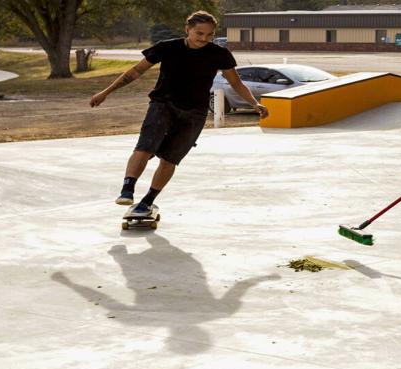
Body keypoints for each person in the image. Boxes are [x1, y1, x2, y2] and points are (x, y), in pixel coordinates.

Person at [89, 10, 269, 221]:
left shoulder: (219, 54)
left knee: (170, 159)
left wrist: (255, 103)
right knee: (145, 147)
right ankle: (127, 189)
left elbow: (236, 83)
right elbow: (135, 71)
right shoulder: (167, 47)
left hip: (195, 113)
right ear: (187, 29)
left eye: (209, 35)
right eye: (199, 33)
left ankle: (147, 200)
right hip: (163, 104)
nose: (203, 39)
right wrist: (106, 92)